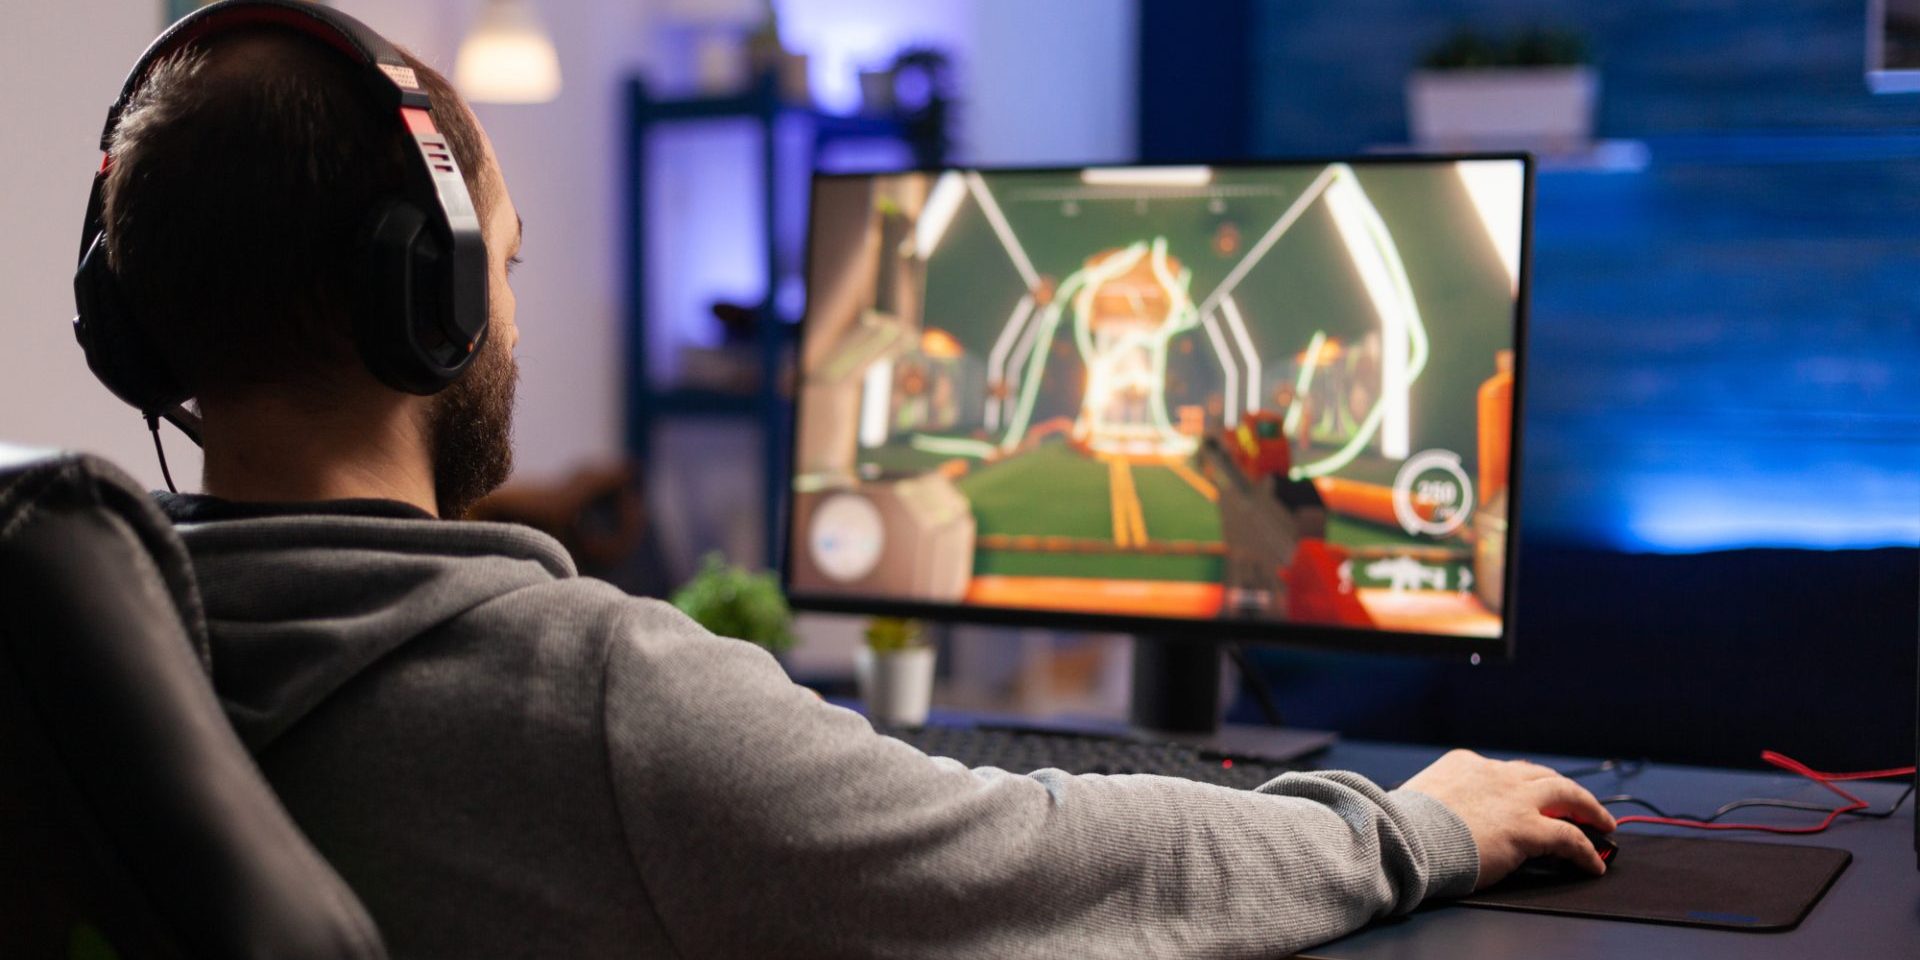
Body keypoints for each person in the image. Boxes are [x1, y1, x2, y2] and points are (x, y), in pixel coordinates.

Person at [93, 14, 1615, 960]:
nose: (516, 300)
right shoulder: (590, 701)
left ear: (136, 330)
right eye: (499, 255)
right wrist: (1400, 828)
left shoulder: (79, 661)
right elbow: (1039, 868)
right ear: (431, 300)